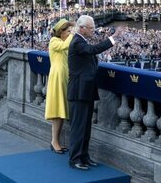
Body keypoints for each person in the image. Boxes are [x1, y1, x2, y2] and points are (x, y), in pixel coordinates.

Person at [67, 15, 121, 170]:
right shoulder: (77, 42)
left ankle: (84, 156)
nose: (93, 30)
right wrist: (113, 38)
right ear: (82, 28)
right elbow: (93, 50)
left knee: (86, 127)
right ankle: (75, 159)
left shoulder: (81, 40)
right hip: (79, 91)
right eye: (90, 28)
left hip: (86, 90)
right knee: (78, 127)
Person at [45, 18, 74, 154]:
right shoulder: (54, 41)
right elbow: (65, 46)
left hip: (65, 77)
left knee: (61, 111)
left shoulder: (64, 41)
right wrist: (75, 34)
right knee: (58, 110)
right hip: (57, 78)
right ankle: (54, 141)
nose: (70, 33)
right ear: (61, 32)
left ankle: (56, 140)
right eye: (68, 31)